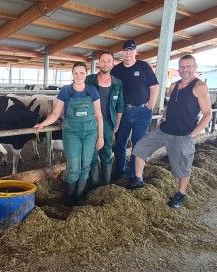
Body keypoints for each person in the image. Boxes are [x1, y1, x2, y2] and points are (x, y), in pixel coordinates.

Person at [129, 54, 212, 210]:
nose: (185, 70)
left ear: (195, 68)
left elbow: (208, 114)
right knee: (139, 148)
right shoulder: (174, 86)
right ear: (178, 69)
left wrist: (193, 134)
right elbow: (170, 106)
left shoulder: (199, 86)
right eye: (182, 67)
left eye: (189, 66)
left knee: (182, 168)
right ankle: (138, 179)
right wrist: (163, 119)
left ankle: (180, 195)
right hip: (164, 130)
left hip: (183, 134)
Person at [34, 62, 104, 207]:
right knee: (73, 166)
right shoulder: (66, 91)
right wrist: (43, 123)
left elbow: (98, 115)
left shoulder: (92, 91)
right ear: (72, 75)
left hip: (90, 132)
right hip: (72, 132)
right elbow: (55, 113)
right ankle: (69, 195)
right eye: (76, 73)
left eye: (82, 73)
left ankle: (78, 196)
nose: (79, 76)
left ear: (86, 74)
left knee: (85, 165)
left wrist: (101, 136)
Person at [110, 39, 159, 181]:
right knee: (120, 143)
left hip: (142, 112)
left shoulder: (144, 67)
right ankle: (120, 171)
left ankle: (133, 174)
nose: (128, 53)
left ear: (136, 52)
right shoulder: (116, 70)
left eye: (131, 50)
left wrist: (150, 106)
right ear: (122, 53)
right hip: (123, 112)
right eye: (126, 50)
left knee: (138, 144)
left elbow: (154, 87)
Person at [86, 50, 124, 188]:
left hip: (108, 121)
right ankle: (95, 184)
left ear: (113, 63)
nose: (105, 63)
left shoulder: (117, 83)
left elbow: (120, 105)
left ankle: (106, 184)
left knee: (107, 151)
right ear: (98, 63)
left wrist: (117, 123)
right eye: (102, 60)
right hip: (90, 122)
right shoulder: (89, 80)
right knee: (92, 151)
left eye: (109, 60)